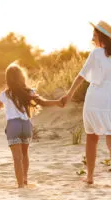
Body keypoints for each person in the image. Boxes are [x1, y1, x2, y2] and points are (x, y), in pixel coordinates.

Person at [0, 63, 63, 188]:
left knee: (17, 158)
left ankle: (20, 184)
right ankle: (25, 179)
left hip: (13, 125)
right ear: (21, 77)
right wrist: (58, 102)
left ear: (8, 79)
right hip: (26, 125)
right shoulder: (29, 92)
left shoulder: (5, 94)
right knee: (25, 154)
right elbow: (43, 102)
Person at [61, 21, 111, 184]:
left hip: (94, 99)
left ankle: (89, 177)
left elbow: (81, 76)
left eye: (94, 35)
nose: (92, 38)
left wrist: (68, 95)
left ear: (101, 36)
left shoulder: (95, 54)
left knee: (92, 137)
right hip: (108, 100)